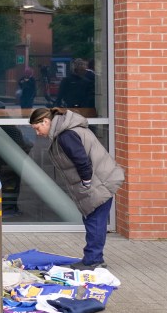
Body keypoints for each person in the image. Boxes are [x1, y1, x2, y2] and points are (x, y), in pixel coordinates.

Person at [29, 107, 124, 269]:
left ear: (46, 121)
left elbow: (82, 160)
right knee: (94, 221)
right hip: (102, 180)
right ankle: (94, 258)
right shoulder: (66, 132)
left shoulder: (66, 135)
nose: (38, 133)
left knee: (94, 222)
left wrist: (86, 182)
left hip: (98, 182)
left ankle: (93, 261)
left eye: (38, 128)